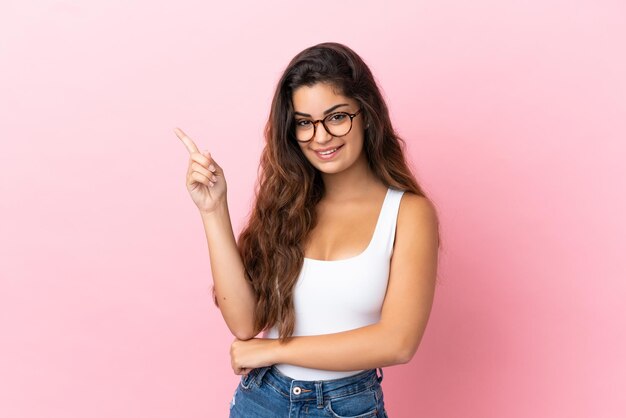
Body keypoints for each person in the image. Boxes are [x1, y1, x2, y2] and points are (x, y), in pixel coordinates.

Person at [175, 42, 440, 418]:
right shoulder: (288, 205)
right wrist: (213, 209)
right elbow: (246, 322)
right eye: (304, 122)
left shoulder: (408, 214)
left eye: (336, 117)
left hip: (346, 406)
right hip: (261, 398)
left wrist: (275, 350)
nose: (320, 137)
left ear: (365, 114)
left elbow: (398, 342)